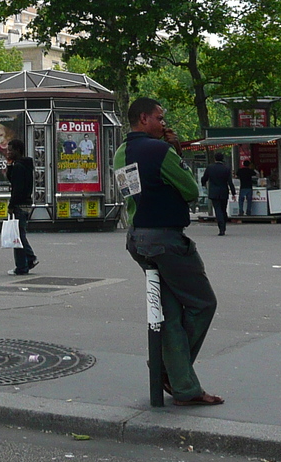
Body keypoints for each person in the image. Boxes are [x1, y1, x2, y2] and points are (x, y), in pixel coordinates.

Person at [113, 97, 221, 407]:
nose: (164, 123)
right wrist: (176, 151)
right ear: (144, 119)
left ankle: (182, 384)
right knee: (203, 303)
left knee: (171, 314)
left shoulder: (121, 153)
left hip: (138, 239)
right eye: (160, 118)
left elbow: (130, 195)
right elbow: (189, 189)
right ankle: (169, 371)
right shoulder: (160, 150)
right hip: (167, 240)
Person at [5, 138, 38, 275]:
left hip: (19, 203)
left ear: (17, 150)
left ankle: (23, 265)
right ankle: (29, 259)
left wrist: (11, 205)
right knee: (20, 233)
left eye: (10, 150)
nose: (8, 152)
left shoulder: (19, 167)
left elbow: (16, 188)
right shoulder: (25, 165)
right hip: (26, 202)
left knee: (17, 236)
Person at [201, 153, 232, 235]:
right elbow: (230, 182)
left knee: (217, 210)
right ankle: (224, 223)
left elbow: (204, 178)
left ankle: (221, 228)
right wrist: (233, 192)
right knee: (223, 209)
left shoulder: (210, 167)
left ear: (215, 159)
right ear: (223, 159)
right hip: (224, 191)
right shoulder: (226, 168)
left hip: (214, 191)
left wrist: (203, 185)